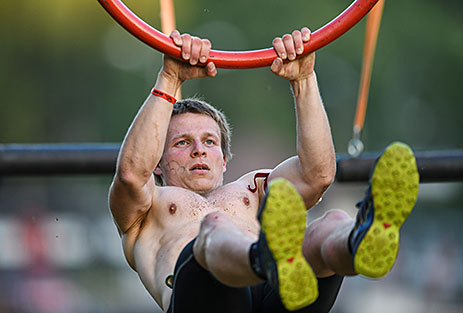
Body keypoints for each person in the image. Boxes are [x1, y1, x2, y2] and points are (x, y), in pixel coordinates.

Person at [109, 27, 419, 313]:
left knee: (333, 222)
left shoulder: (250, 190)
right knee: (214, 227)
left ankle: (360, 239)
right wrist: (170, 78)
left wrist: (303, 79)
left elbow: (317, 175)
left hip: (277, 295)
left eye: (209, 141)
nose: (198, 149)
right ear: (159, 162)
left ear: (224, 159)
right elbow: (130, 174)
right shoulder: (147, 206)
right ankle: (265, 256)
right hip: (204, 300)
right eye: (182, 142)